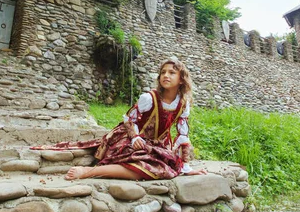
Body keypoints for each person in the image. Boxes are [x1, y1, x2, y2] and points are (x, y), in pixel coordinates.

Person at [64, 58, 207, 180]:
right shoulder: (149, 98)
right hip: (131, 138)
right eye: (163, 72)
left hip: (157, 144)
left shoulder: (182, 104)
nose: (165, 75)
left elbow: (183, 136)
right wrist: (135, 137)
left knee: (160, 170)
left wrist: (186, 167)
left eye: (172, 72)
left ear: (182, 79)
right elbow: (129, 119)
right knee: (142, 168)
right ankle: (88, 171)